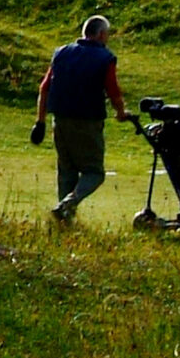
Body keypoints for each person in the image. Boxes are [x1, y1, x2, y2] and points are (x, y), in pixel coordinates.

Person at [34, 14, 126, 227]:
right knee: (94, 172)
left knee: (66, 170)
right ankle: (68, 203)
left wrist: (40, 122)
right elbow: (113, 91)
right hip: (88, 122)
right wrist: (121, 113)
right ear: (101, 34)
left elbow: (44, 87)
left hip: (61, 120)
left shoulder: (61, 53)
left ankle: (63, 221)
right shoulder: (104, 58)